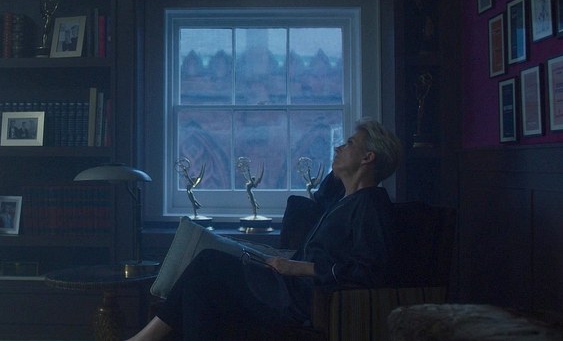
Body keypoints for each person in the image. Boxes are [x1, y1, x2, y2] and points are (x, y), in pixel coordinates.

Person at [125, 118, 403, 341]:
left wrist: (297, 267)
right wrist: (346, 173)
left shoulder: (371, 205)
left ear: (368, 157)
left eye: (349, 143)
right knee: (201, 287)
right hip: (285, 285)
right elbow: (325, 191)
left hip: (301, 298)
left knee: (208, 262)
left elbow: (369, 271)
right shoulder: (339, 199)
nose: (339, 147)